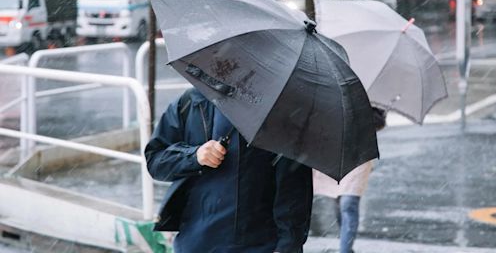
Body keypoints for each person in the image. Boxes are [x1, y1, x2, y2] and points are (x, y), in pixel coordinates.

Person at [145, 87, 313, 253]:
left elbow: (293, 190)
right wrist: (194, 156)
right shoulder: (193, 100)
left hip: (259, 244)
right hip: (193, 242)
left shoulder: (280, 112)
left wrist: (287, 247)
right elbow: (156, 161)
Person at [312, 107, 386, 253]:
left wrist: (367, 116)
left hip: (360, 159)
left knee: (348, 204)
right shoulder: (336, 96)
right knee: (339, 203)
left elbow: (379, 123)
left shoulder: (368, 97)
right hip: (337, 157)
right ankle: (346, 244)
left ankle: (345, 249)